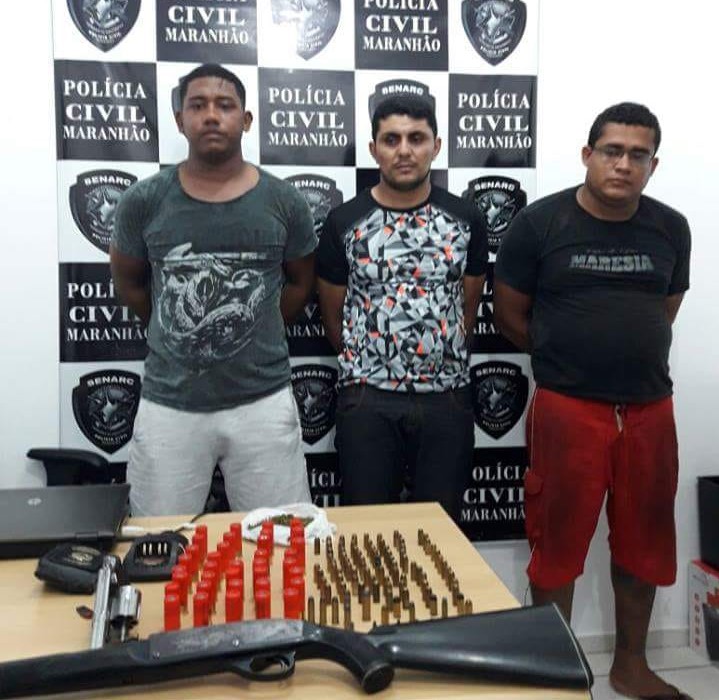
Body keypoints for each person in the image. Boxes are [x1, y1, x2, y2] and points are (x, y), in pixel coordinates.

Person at [494, 102, 691, 700]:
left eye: (638, 154)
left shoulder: (671, 228)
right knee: (556, 545)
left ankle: (630, 667)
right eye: (612, 151)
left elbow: (665, 309)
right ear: (588, 154)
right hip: (567, 410)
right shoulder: (539, 224)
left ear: (653, 164)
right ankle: (553, 674)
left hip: (649, 410)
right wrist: (570, 359)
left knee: (644, 544)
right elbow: (509, 316)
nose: (623, 164)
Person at [110, 64, 316, 516]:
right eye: (197, 105)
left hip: (263, 401)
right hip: (171, 404)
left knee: (280, 539)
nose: (211, 115)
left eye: (225, 105)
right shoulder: (144, 200)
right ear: (179, 120)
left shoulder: (284, 201)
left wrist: (249, 324)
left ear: (247, 119)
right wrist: (178, 331)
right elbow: (130, 282)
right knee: (157, 540)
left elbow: (301, 283)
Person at [316, 95, 488, 521]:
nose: (404, 150)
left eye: (417, 138)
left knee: (441, 535)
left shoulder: (466, 219)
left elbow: (467, 306)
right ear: (374, 149)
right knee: (368, 533)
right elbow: (333, 314)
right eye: (391, 139)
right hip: (367, 400)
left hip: (446, 399)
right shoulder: (344, 221)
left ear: (437, 146)